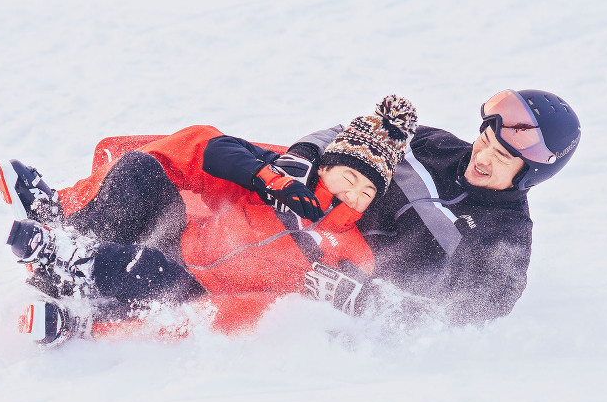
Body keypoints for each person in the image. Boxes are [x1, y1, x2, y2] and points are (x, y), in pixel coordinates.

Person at [0, 96, 418, 346]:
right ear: (326, 167)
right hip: (180, 235)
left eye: (367, 193)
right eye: (350, 178)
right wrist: (265, 179)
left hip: (192, 285)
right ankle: (60, 229)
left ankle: (70, 286)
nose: (354, 196)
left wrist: (349, 293)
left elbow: (374, 304)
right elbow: (204, 145)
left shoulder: (349, 247)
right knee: (141, 169)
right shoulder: (282, 174)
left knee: (141, 269)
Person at [204, 89, 582, 325]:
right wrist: (302, 156)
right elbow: (346, 136)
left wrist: (366, 299)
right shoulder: (433, 145)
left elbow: (475, 313)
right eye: (484, 140)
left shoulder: (503, 236)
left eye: (501, 156)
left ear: (529, 174)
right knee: (200, 153)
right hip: (299, 214)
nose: (481, 156)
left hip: (319, 275)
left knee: (205, 284)